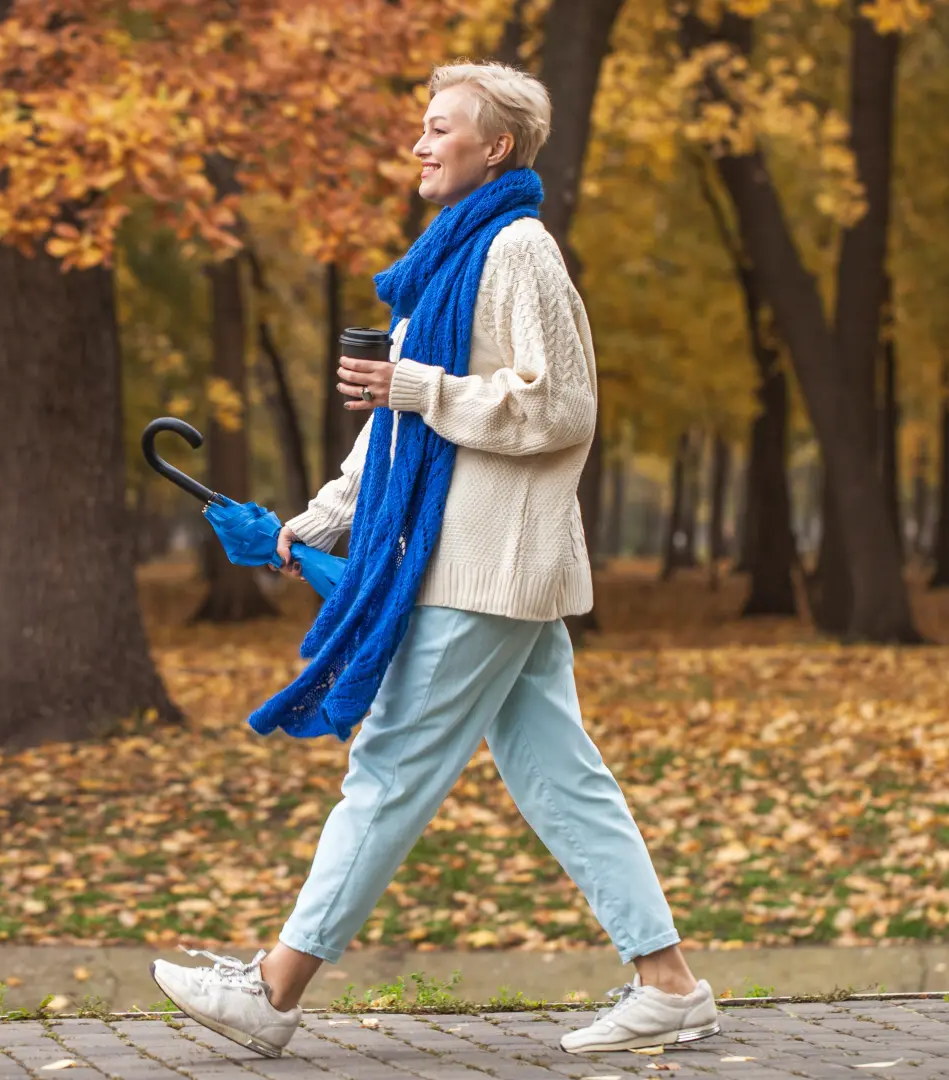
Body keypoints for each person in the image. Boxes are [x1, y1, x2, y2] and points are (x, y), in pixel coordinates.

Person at [149, 59, 717, 1059]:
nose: (419, 142)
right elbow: (394, 435)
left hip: (486, 568)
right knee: (559, 777)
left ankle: (273, 994)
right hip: (475, 566)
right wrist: (314, 523)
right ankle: (668, 984)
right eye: (420, 124)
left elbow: (560, 408)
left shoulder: (519, 253)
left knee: (388, 770)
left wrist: (417, 386)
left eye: (440, 127)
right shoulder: (444, 263)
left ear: (494, 148)